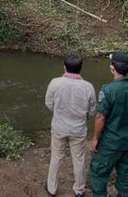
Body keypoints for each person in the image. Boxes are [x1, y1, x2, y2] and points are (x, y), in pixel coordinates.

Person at [89, 52, 128, 197]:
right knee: (124, 175)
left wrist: (95, 138)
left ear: (112, 68)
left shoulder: (108, 90)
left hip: (110, 142)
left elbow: (100, 117)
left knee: (98, 175)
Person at [45, 55, 96, 197]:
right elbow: (92, 110)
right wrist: (82, 117)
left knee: (56, 157)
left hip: (59, 127)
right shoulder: (88, 87)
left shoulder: (55, 83)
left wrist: (59, 113)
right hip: (78, 129)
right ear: (80, 69)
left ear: (64, 67)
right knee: (79, 160)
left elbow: (49, 103)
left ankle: (51, 188)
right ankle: (79, 190)